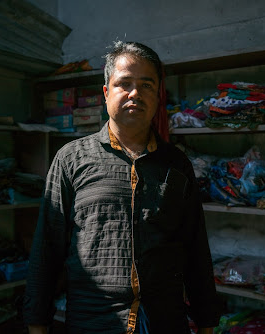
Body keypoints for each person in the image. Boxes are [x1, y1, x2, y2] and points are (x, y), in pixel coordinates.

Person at [24, 41, 220, 334]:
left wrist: (206, 323)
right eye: (124, 84)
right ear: (106, 93)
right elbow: (46, 250)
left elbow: (196, 251)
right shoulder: (71, 159)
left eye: (146, 85)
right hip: (93, 322)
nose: (135, 94)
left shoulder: (177, 165)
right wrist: (37, 324)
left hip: (164, 322)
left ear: (158, 96)